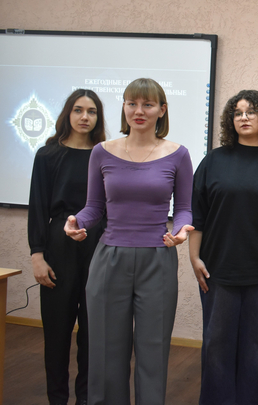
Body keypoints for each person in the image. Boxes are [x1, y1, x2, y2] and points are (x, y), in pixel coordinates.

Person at [64, 78, 194, 405]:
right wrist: (77, 222)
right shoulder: (101, 152)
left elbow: (183, 208)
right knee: (105, 351)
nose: (139, 111)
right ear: (123, 107)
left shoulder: (178, 154)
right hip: (109, 258)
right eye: (132, 103)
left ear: (162, 110)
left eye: (147, 104)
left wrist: (182, 230)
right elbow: (94, 208)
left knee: (153, 350)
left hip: (158, 259)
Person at [190, 90, 258, 405]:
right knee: (216, 345)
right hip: (217, 269)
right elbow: (198, 215)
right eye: (237, 113)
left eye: (251, 112)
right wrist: (194, 257)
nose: (244, 117)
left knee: (254, 347)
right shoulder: (213, 161)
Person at [28, 89, 106, 405]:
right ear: (67, 114)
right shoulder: (47, 155)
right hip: (58, 246)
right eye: (78, 110)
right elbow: (37, 207)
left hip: (98, 245)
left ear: (99, 117)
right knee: (57, 333)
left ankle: (85, 398)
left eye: (92, 111)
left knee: (92, 333)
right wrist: (37, 255)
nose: (85, 117)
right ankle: (57, 399)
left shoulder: (106, 155)